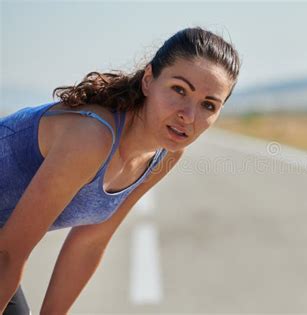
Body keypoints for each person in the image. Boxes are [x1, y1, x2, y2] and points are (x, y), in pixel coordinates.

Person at [0, 26, 240, 314]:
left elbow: (90, 241)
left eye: (208, 105)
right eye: (179, 90)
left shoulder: (166, 154)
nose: (188, 116)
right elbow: (8, 255)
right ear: (149, 80)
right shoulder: (90, 139)